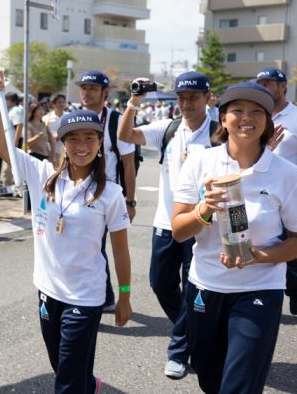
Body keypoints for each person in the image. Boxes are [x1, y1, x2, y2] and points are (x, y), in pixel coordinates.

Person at [0, 72, 132, 393]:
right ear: (62, 143)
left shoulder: (110, 193)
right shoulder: (43, 175)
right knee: (63, 366)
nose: (82, 146)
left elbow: (120, 249)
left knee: (65, 381)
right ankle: (88, 384)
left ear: (99, 143)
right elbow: (1, 146)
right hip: (48, 291)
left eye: (89, 138)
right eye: (73, 138)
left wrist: (123, 295)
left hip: (86, 296)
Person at [171, 82, 297, 394]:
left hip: (260, 288)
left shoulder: (287, 174)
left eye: (257, 111)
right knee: (211, 379)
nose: (246, 117)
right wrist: (204, 209)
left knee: (240, 386)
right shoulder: (200, 163)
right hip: (206, 286)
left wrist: (258, 256)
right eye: (237, 110)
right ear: (223, 119)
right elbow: (179, 230)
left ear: (267, 120)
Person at [118, 72, 215, 379]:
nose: (186, 104)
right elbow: (126, 135)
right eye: (182, 98)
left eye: (193, 98)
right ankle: (194, 331)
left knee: (193, 286)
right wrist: (134, 102)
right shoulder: (169, 128)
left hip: (200, 222)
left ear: (207, 98)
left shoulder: (216, 132)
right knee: (160, 283)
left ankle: (178, 348)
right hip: (165, 221)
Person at [255, 67, 297, 316]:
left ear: (283, 86)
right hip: (258, 195)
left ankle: (295, 289)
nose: (264, 88)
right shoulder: (257, 115)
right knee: (263, 246)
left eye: (269, 83)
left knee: (288, 250)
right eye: (260, 83)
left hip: (289, 198)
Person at [77, 70, 136, 312]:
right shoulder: (75, 118)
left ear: (105, 93)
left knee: (103, 246)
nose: (86, 92)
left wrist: (130, 202)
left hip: (108, 196)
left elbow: (129, 163)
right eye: (84, 88)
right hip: (79, 193)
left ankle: (109, 296)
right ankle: (106, 296)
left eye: (92, 88)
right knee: (90, 245)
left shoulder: (117, 122)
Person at [42, 94, 66, 166]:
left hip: (66, 151)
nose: (62, 104)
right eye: (59, 102)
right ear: (53, 104)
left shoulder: (69, 117)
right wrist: (51, 137)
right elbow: (43, 135)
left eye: (63, 102)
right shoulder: (46, 118)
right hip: (51, 152)